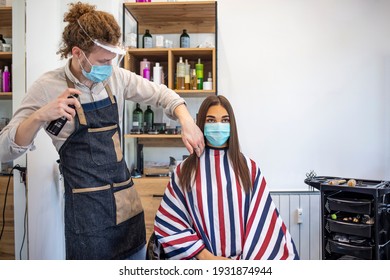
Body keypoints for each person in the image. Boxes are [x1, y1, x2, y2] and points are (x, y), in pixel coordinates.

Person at [0, 2, 204, 260]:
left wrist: (186, 120)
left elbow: (163, 94)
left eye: (112, 60)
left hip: (127, 209)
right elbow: (5, 149)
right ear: (77, 53)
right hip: (87, 219)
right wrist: (41, 115)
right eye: (103, 61)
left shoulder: (115, 78)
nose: (109, 67)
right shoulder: (46, 87)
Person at [154, 95, 299, 260]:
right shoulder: (185, 171)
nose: (218, 126)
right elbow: (170, 223)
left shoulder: (249, 169)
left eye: (224, 120)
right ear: (200, 123)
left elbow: (264, 224)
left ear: (232, 125)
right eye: (210, 120)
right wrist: (208, 258)